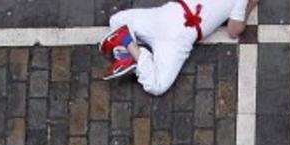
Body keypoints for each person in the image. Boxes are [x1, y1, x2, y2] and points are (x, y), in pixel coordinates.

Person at [98, 0, 257, 92]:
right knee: (157, 85)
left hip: (167, 13)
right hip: (180, 36)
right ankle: (132, 50)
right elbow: (234, 30)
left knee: (117, 20)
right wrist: (250, 4)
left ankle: (125, 52)